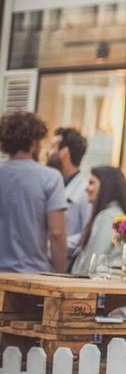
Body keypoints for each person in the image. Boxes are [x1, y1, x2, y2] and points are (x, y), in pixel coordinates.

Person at [0, 112, 68, 273]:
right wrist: (60, 274)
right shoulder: (50, 177)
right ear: (33, 143)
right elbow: (57, 233)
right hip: (32, 275)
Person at [70, 167, 126, 276]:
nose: (87, 188)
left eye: (92, 183)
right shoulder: (115, 215)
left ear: (106, 186)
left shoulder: (107, 217)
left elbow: (93, 262)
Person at [46, 127, 89, 252]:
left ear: (64, 152)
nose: (48, 153)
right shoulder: (52, 184)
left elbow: (86, 234)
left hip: (64, 264)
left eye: (52, 147)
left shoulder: (85, 190)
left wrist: (54, 244)